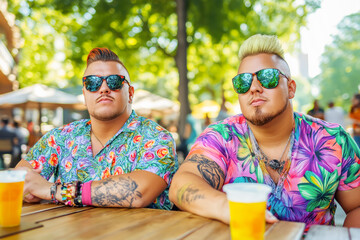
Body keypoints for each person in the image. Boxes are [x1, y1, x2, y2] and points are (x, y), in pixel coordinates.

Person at [169, 34, 360, 232]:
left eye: (267, 77)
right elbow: (182, 184)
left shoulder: (332, 140)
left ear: (291, 88)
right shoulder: (221, 137)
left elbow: (356, 207)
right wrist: (229, 208)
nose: (254, 88)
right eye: (243, 82)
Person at [16, 47, 178, 210]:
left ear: (130, 93)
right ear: (85, 94)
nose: (104, 88)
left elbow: (138, 192)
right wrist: (28, 189)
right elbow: (19, 178)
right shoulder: (61, 137)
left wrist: (51, 190)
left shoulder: (156, 137)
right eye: (92, 83)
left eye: (114, 81)